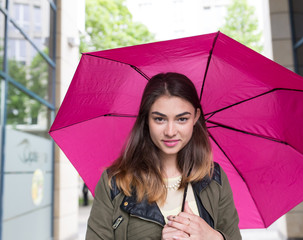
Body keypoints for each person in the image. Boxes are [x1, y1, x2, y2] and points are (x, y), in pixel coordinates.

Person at [86, 72, 241, 240]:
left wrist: (213, 237)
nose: (170, 132)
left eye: (182, 119)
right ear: (146, 119)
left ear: (196, 117)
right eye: (160, 119)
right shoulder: (114, 183)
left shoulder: (214, 178)